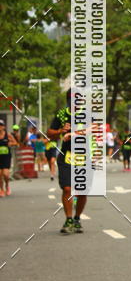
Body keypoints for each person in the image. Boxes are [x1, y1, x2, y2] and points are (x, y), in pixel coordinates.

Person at [47, 90, 88, 234]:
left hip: (84, 156)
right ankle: (69, 219)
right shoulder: (61, 114)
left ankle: (77, 218)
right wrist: (60, 131)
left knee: (82, 192)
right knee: (67, 189)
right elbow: (49, 133)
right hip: (66, 156)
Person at [0, 121, 18, 197]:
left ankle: (7, 186)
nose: (0, 127)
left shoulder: (8, 135)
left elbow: (16, 143)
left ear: (4, 127)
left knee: (6, 174)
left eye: (1, 125)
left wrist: (10, 143)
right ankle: (2, 190)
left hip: (6, 157)